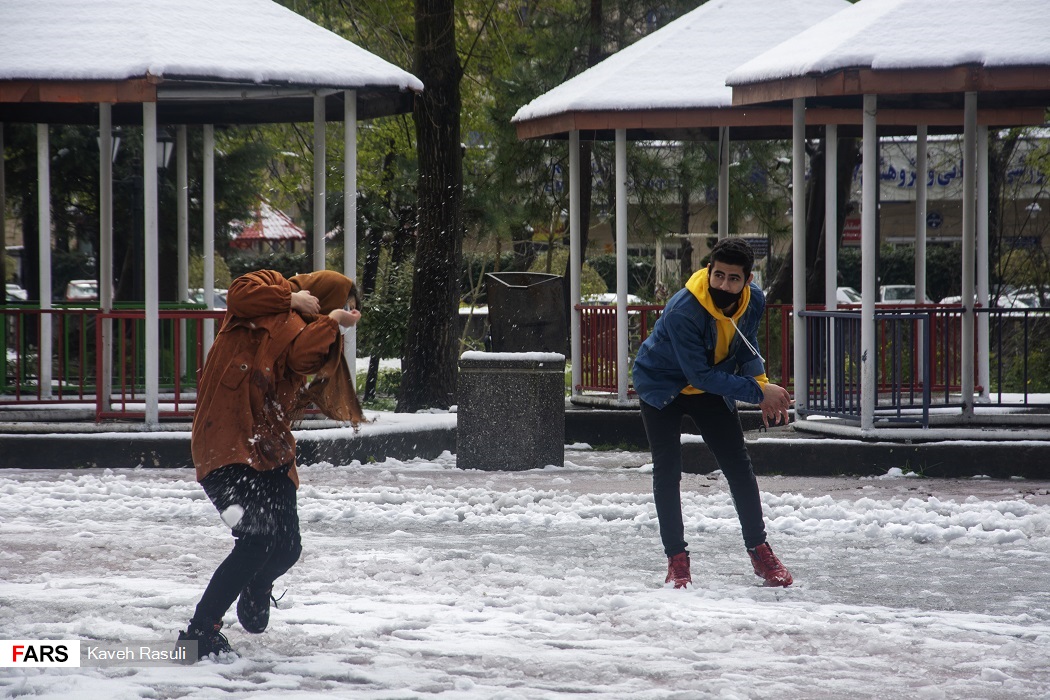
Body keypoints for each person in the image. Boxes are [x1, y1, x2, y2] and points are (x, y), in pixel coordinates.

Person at [178, 269, 365, 660]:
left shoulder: (311, 331)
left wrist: (330, 323)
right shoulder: (270, 288)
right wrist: (292, 299)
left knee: (287, 548)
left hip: (270, 449)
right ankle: (199, 633)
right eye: (342, 307)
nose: (342, 316)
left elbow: (301, 357)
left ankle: (256, 585)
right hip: (225, 444)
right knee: (257, 540)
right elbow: (238, 294)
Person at [631, 238, 794, 589]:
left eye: (733, 279)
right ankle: (677, 560)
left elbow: (746, 345)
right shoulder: (684, 309)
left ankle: (760, 550)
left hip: (709, 386)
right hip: (662, 386)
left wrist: (762, 385)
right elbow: (699, 376)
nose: (723, 284)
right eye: (718, 275)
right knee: (667, 469)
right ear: (708, 271)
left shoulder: (754, 300)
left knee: (738, 465)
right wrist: (758, 393)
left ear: (748, 280)